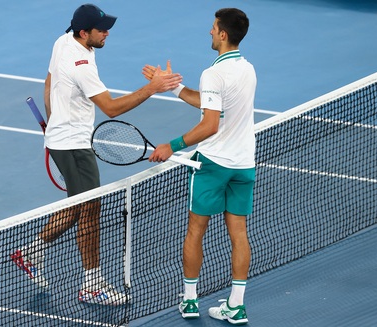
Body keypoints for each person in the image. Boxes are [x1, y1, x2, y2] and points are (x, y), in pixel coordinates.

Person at [11, 3, 182, 306]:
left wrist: (53, 123)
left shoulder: (62, 41)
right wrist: (152, 88)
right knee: (89, 211)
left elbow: (49, 83)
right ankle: (91, 284)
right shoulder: (82, 64)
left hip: (65, 138)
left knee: (78, 206)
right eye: (101, 29)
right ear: (83, 32)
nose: (107, 33)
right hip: (74, 145)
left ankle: (30, 252)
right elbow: (112, 108)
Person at [144, 8, 255, 324]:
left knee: (196, 230)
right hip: (244, 165)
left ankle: (190, 301)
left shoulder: (213, 73)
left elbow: (209, 125)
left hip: (213, 166)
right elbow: (214, 104)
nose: (209, 31)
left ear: (222, 34)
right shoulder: (248, 69)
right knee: (239, 234)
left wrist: (172, 146)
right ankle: (236, 306)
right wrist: (175, 88)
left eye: (213, 27)